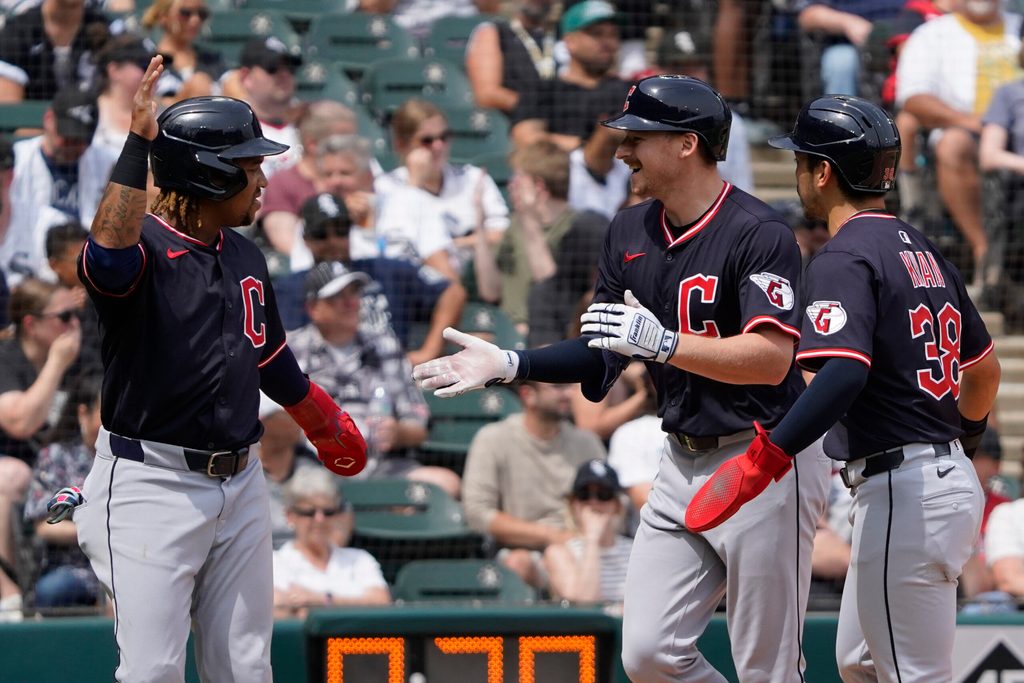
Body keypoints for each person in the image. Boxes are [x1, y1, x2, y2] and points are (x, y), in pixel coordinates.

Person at [415, 75, 832, 681]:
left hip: (764, 456)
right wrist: (513, 364)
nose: (622, 150)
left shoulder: (759, 232)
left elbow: (772, 358)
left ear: (687, 144)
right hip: (682, 455)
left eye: (638, 136)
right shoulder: (628, 230)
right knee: (647, 654)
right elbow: (602, 351)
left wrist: (664, 345)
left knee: (766, 666)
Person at [70, 58, 367, 681]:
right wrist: (137, 144)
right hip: (151, 483)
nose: (263, 178)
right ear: (207, 174)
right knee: (152, 673)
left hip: (242, 482)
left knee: (246, 671)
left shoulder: (246, 252)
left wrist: (319, 416)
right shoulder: (143, 250)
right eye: (249, 165)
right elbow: (105, 256)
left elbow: (271, 357)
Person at [688, 95, 1001, 682]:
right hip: (934, 476)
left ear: (823, 172)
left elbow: (844, 371)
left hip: (905, 488)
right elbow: (984, 373)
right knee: (857, 664)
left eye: (803, 161)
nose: (801, 173)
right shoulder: (925, 251)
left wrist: (768, 456)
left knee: (911, 675)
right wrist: (960, 448)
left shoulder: (843, 255)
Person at [290, 260, 461, 498]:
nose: (351, 303)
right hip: (315, 469)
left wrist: (399, 433)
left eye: (354, 293)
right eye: (338, 297)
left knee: (446, 483)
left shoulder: (385, 346)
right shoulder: (291, 352)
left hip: (383, 467)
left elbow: (418, 423)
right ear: (314, 308)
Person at [896, 0, 1022, 283]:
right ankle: (984, 251)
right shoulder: (932, 34)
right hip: (969, 133)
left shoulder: (1019, 26)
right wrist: (975, 122)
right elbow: (912, 97)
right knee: (952, 144)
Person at [461, 381, 607, 588]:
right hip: (523, 550)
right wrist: (551, 536)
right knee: (517, 563)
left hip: (582, 547)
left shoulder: (587, 442)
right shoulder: (493, 438)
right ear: (527, 394)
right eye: (558, 386)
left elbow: (615, 500)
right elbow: (477, 513)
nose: (567, 394)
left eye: (570, 386)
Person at [0, 277, 82, 620]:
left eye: (76, 315)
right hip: (18, 471)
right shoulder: (8, 359)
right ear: (32, 325)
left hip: (65, 469)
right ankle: (9, 595)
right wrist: (57, 364)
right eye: (64, 317)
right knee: (10, 476)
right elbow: (19, 422)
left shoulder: (82, 356)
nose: (74, 325)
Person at [376, 99, 510, 278]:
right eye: (427, 140)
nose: (438, 146)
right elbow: (394, 248)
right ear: (401, 145)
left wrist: (450, 245)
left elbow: (502, 234)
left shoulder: (472, 178)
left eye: (444, 137)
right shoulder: (385, 187)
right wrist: (414, 185)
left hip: (476, 279)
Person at [1, 87, 117, 285]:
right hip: (31, 265)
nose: (72, 145)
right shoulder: (19, 161)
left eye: (80, 139)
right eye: (68, 137)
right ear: (48, 119)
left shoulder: (106, 163)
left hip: (85, 266)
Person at [22, 374, 102, 609]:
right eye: (103, 412)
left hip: (128, 563)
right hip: (77, 569)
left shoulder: (131, 461)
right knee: (52, 590)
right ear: (82, 414)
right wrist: (95, 531)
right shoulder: (57, 457)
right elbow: (45, 524)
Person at [509, 0, 631, 152]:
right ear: (570, 41)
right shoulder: (545, 90)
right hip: (559, 171)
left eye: (613, 34)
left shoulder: (630, 90)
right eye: (596, 34)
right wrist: (590, 149)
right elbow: (526, 138)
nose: (607, 42)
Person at [272, 467, 390, 618]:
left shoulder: (359, 558)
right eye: (309, 512)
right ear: (290, 516)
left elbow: (382, 602)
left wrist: (320, 599)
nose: (320, 520)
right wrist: (357, 602)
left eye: (328, 512)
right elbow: (283, 611)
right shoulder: (275, 562)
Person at [259, 101, 359, 265]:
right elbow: (287, 244)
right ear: (313, 144)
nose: (352, 149)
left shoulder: (359, 177)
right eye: (342, 141)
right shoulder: (283, 182)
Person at [543, 458, 632, 604]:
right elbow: (584, 603)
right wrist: (592, 539)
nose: (593, 503)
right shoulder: (559, 553)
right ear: (573, 504)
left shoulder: (637, 551)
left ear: (617, 505)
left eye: (603, 495)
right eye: (584, 495)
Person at [0, 0, 109, 102]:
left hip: (94, 120)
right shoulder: (16, 33)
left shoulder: (109, 30)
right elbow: (10, 112)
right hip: (35, 121)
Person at [465, 0, 558, 115]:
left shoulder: (565, 36)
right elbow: (487, 95)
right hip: (515, 122)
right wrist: (545, 110)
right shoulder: (494, 32)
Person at [796, 0, 904, 96]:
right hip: (851, 44)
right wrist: (847, 23)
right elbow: (808, 15)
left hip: (904, 41)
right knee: (840, 61)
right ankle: (841, 116)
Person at [140, 0, 224, 104]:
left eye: (202, 14)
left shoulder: (212, 59)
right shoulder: (147, 61)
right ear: (163, 17)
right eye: (185, 13)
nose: (195, 20)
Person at [91, 34, 159, 157]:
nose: (154, 73)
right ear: (114, 70)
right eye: (145, 66)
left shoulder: (164, 116)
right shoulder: (89, 112)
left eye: (158, 67)